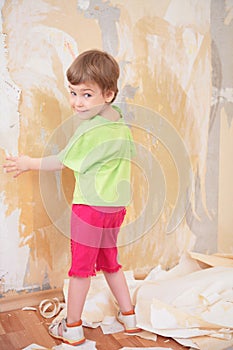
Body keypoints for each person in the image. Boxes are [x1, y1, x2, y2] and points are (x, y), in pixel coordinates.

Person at [3, 49, 141, 346]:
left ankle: (73, 326)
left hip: (90, 209)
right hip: (115, 209)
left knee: (80, 270)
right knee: (111, 263)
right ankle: (129, 317)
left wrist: (28, 163)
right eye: (73, 93)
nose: (77, 102)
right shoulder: (119, 123)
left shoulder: (90, 131)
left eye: (87, 95)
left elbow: (62, 161)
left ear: (109, 94)